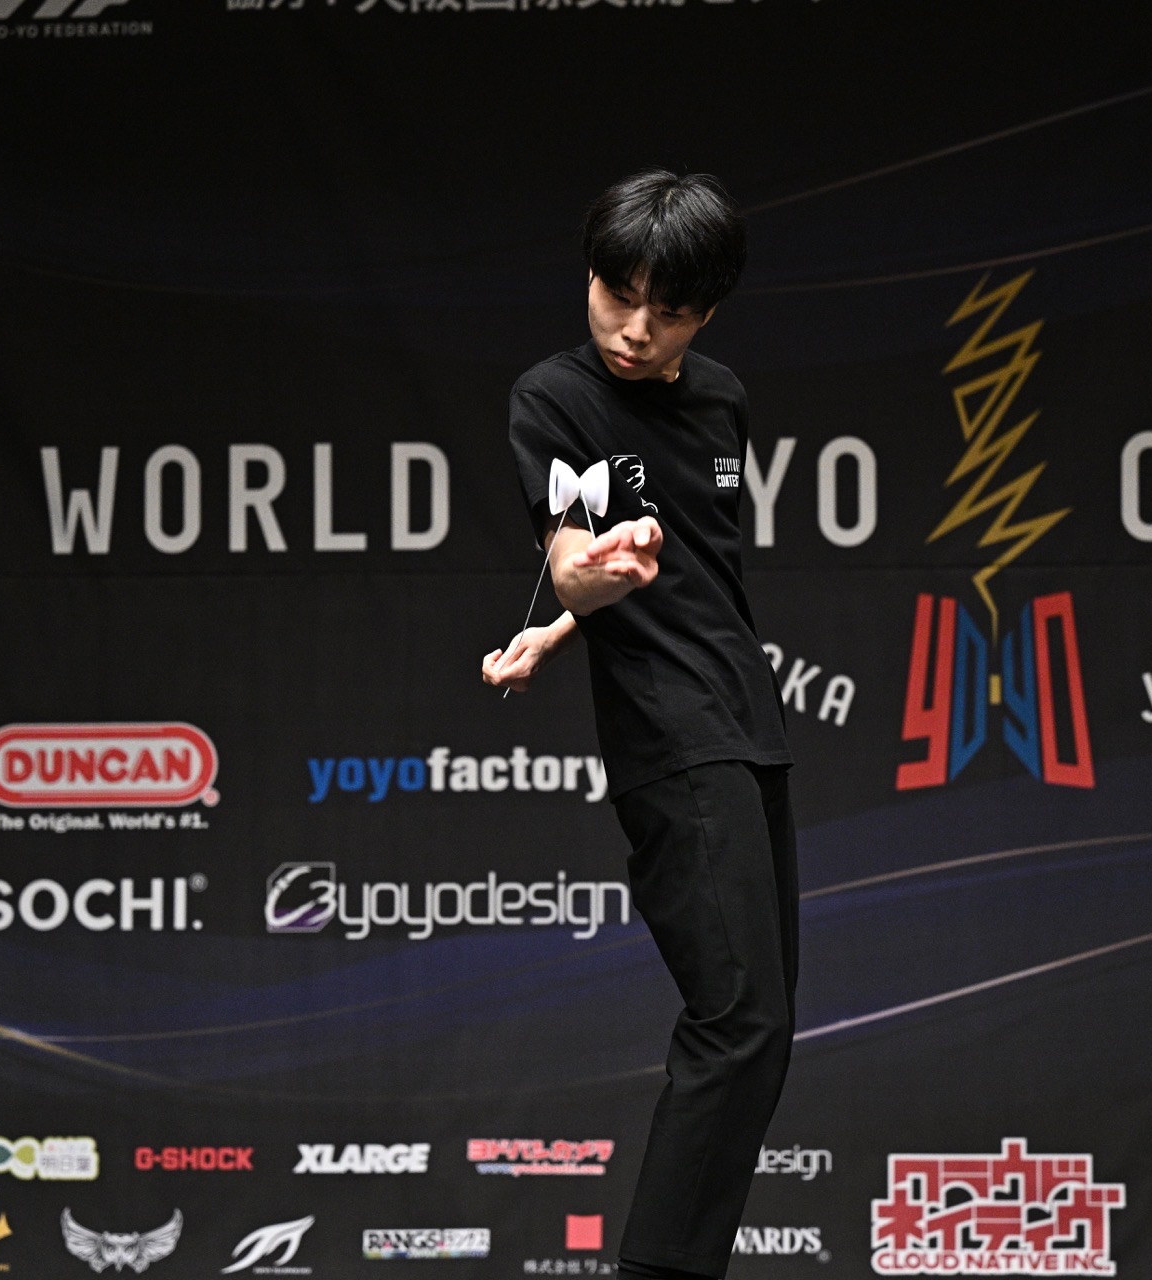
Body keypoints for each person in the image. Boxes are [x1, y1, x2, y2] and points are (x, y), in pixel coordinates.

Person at [481, 170, 796, 1280]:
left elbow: (694, 571)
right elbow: (574, 553)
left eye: (668, 310)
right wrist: (586, 584)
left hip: (748, 721)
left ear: (707, 312)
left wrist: (560, 629)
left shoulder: (722, 400)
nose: (634, 328)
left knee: (764, 1030)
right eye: (618, 295)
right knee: (736, 1015)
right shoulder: (554, 398)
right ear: (593, 276)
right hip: (672, 734)